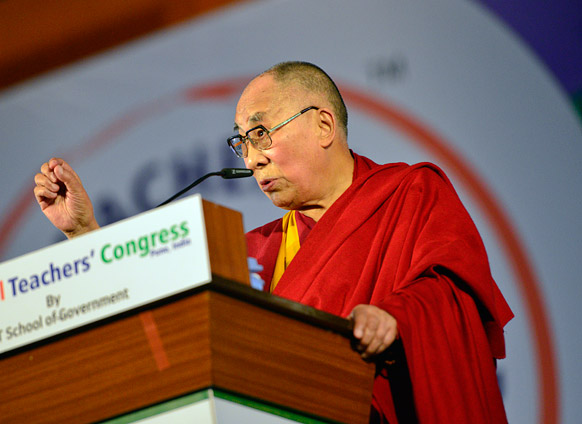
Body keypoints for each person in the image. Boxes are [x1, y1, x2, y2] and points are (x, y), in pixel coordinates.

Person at [34, 61, 513, 423]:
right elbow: (162, 310)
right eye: (241, 141)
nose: (252, 158)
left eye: (261, 133)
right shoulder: (257, 251)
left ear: (324, 125)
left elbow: (453, 288)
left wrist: (397, 316)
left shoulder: (411, 193)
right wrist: (85, 235)